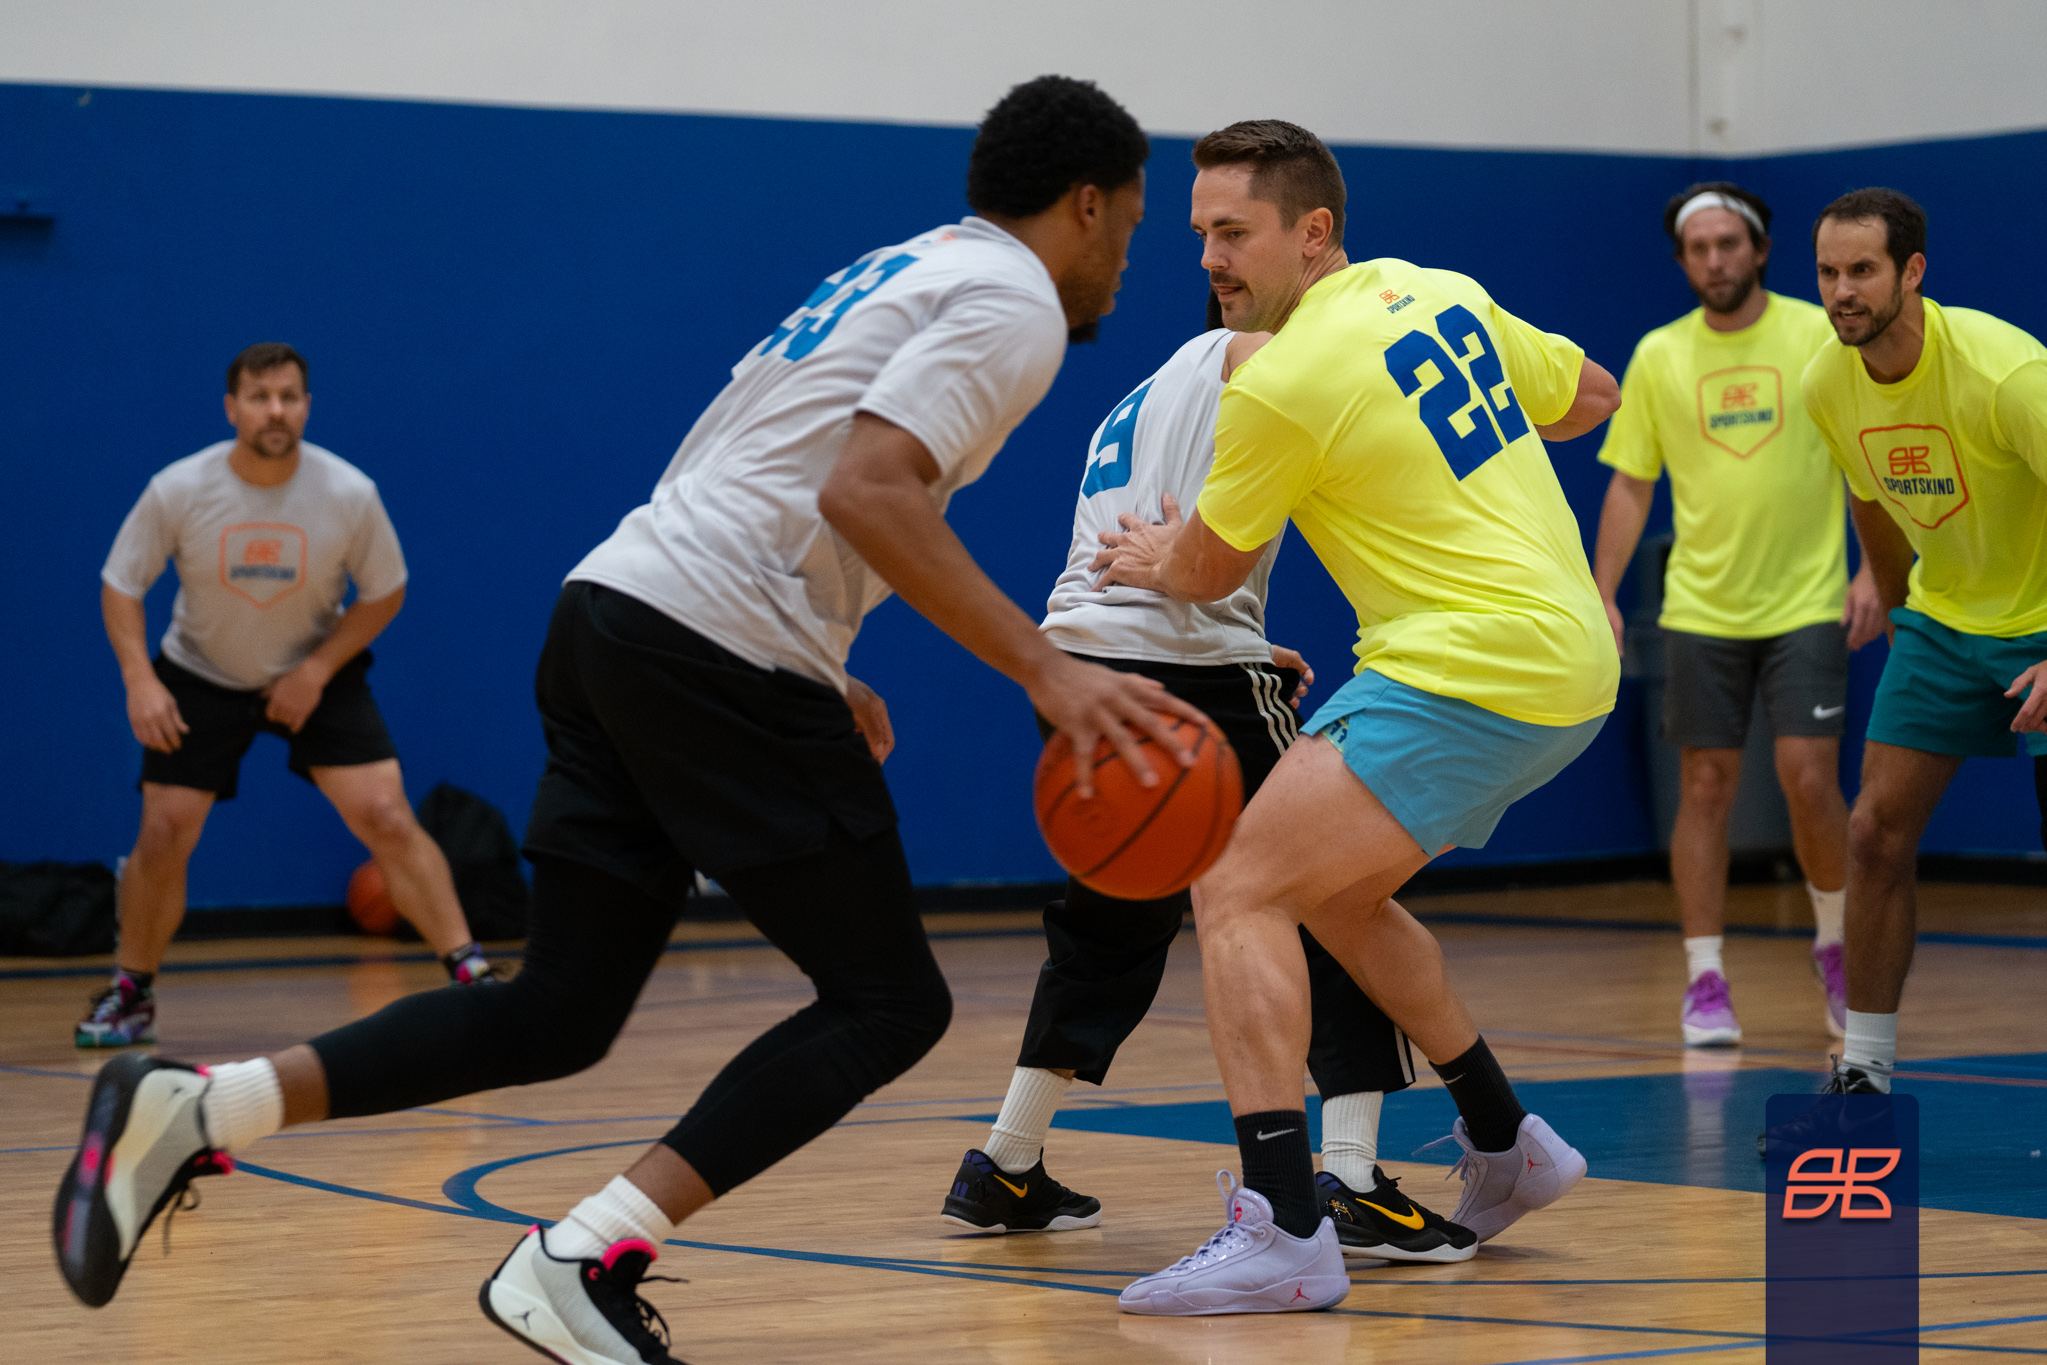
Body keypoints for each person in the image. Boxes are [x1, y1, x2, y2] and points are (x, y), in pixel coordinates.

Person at [55, 77, 1185, 1364]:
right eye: (1134, 225)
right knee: (887, 1002)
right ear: (1084, 204)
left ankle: (196, 1110)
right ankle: (583, 1257)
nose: (1127, 258)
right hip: (714, 639)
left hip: (617, 608)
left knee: (558, 1011)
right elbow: (869, 491)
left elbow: (746, 460)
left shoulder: (905, 266)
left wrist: (824, 657)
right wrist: (1047, 672)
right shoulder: (1010, 298)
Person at [1096, 120, 1621, 1316]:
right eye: (1200, 234)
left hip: (1464, 667)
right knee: (1336, 899)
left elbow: (1208, 570)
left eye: (1234, 234)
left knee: (1233, 887)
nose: (1210, 259)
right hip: (1565, 661)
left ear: (1312, 232)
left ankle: (1283, 1227)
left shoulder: (1279, 384)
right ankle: (1507, 1141)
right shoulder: (1438, 292)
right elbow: (1588, 394)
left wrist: (1151, 554)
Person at [939, 298, 1473, 1265]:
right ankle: (1350, 1176)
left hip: (1083, 661)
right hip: (1187, 674)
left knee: (1112, 920)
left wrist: (1240, 638)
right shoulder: (1265, 355)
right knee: (1332, 896)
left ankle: (1005, 1161)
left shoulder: (1143, 395)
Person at [85, 343, 498, 1049]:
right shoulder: (178, 488)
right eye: (259, 397)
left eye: (288, 396)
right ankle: (131, 992)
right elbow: (121, 584)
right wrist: (139, 680)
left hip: (314, 670)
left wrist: (318, 669)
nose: (275, 410)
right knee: (165, 830)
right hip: (200, 671)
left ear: (307, 406)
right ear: (232, 408)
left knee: (387, 814)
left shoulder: (349, 493)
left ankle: (472, 978)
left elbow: (386, 590)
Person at [1590, 183, 1883, 1048]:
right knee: (1705, 785)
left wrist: (1874, 569)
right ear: (1682, 261)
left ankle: (1834, 946)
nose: (1713, 260)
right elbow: (1630, 483)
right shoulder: (1658, 354)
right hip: (1700, 609)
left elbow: (1866, 452)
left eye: (1727, 244)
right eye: (1698, 248)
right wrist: (1600, 594)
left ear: (1757, 249)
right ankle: (1704, 976)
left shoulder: (1815, 334)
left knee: (1807, 776)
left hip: (1805, 601)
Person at [1799, 188, 2047, 1095]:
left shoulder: (2005, 373)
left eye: (1861, 270)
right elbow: (1868, 497)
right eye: (1827, 272)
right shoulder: (1827, 382)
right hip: (1943, 622)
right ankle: (1863, 1070)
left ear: (1911, 272)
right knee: (1872, 833)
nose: (1841, 292)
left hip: (2041, 619)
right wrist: (1903, 612)